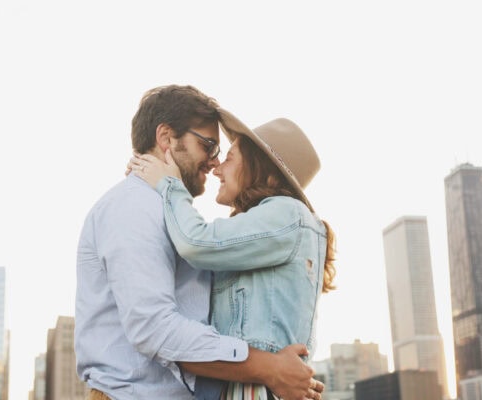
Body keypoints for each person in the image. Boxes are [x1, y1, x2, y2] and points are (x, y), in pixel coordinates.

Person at [75, 84, 324, 400]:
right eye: (208, 145)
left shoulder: (177, 214)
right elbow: (155, 330)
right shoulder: (134, 207)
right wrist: (270, 367)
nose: (213, 162)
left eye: (222, 153)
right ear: (166, 138)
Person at [129, 108, 336, 399]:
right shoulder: (260, 229)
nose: (217, 168)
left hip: (258, 390)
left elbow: (195, 242)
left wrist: (168, 183)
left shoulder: (287, 214)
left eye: (229, 158)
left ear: (259, 168)